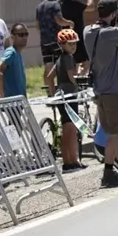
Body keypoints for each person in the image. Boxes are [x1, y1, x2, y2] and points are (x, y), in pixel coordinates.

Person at [83, 0, 118, 188]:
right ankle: (107, 172)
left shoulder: (87, 31)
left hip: (99, 90)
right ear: (114, 14)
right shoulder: (112, 32)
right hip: (113, 90)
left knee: (114, 131)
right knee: (115, 134)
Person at [46, 29, 86, 172]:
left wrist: (52, 94)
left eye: (74, 44)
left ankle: (70, 161)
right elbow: (72, 77)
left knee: (67, 129)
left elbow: (49, 77)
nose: (73, 47)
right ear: (62, 45)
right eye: (70, 44)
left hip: (61, 96)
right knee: (70, 129)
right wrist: (81, 72)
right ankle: (71, 162)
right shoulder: (68, 58)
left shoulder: (59, 59)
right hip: (69, 96)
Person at [35, 0, 73, 95]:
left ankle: (51, 93)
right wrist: (69, 23)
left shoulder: (39, 6)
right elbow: (59, 20)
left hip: (44, 42)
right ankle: (64, 90)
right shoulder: (55, 4)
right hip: (56, 41)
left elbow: (37, 25)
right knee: (60, 65)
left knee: (48, 67)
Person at [60, 0, 93, 74]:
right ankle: (78, 80)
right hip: (76, 37)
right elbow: (91, 7)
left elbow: (73, 5)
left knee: (73, 62)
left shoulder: (60, 3)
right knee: (86, 62)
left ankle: (76, 78)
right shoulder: (73, 3)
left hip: (64, 37)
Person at [0, 23, 29, 98]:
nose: (24, 37)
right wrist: (2, 93)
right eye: (21, 35)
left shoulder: (18, 53)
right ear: (12, 36)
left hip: (19, 99)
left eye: (26, 34)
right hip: (11, 102)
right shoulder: (11, 53)